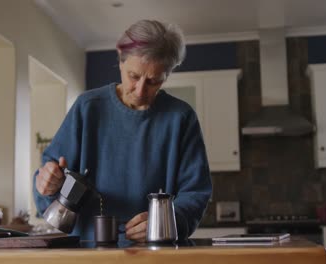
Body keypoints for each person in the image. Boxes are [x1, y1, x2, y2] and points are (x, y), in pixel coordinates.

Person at [33, 19, 212, 242]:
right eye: (134, 76)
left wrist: (165, 222)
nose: (140, 90)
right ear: (120, 58)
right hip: (88, 252)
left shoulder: (181, 118)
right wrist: (47, 182)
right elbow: (47, 180)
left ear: (168, 74)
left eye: (154, 81)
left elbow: (196, 193)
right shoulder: (88, 108)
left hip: (156, 253)